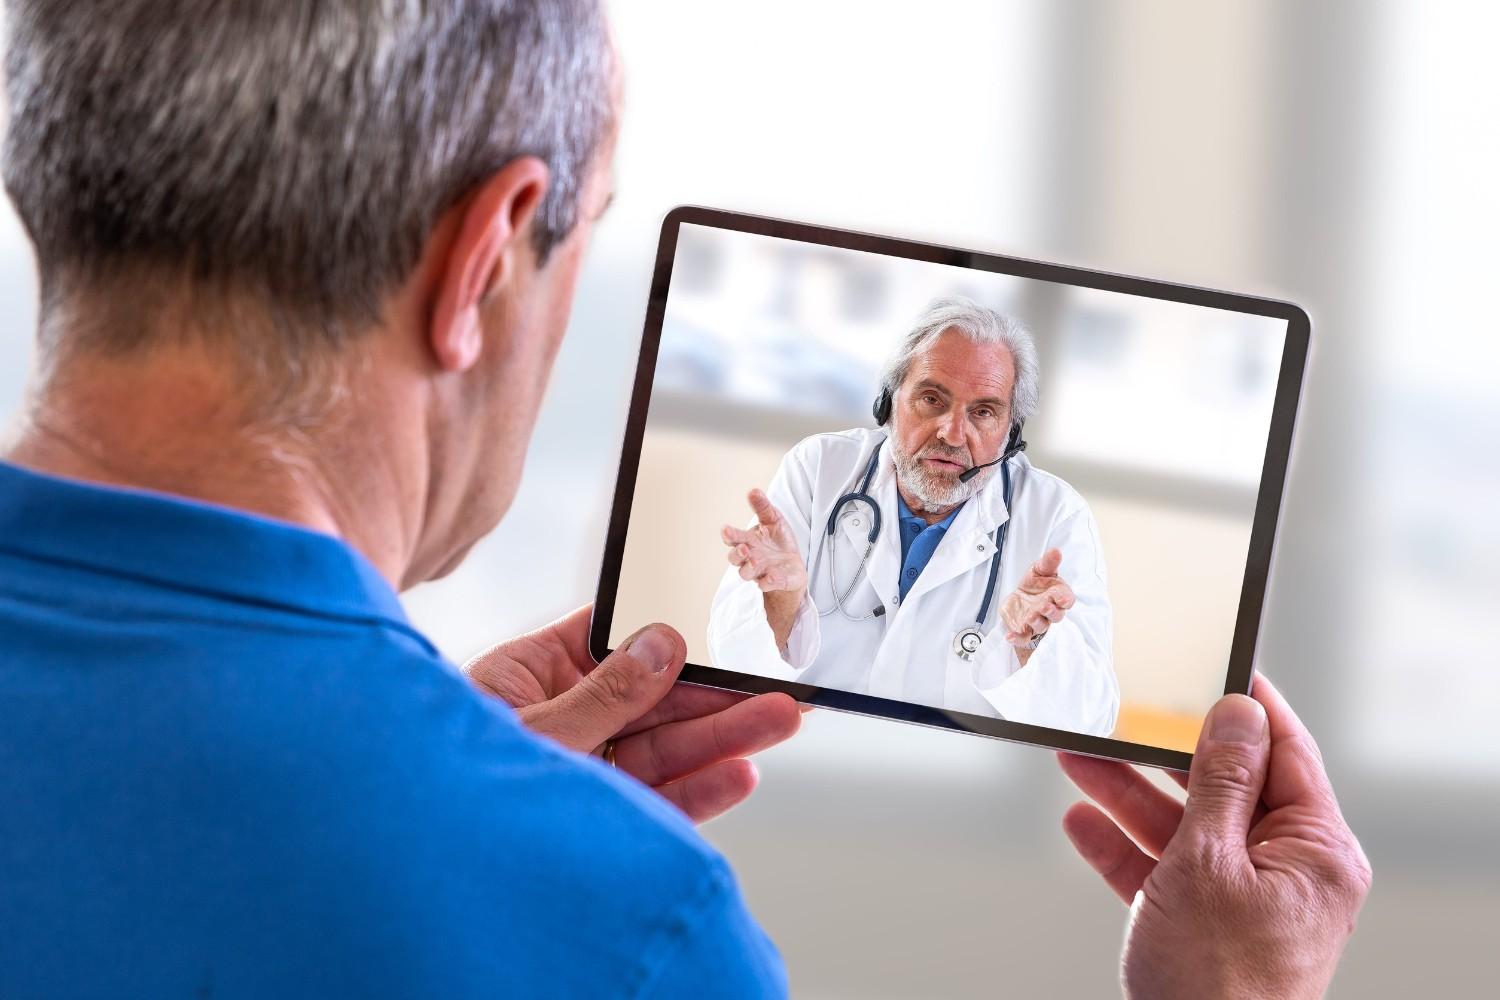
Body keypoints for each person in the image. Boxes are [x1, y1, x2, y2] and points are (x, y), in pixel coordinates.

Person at [0, 2, 1369, 997]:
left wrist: (449, 792)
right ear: (485, 257)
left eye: (985, 413)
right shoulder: (620, 930)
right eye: (587, 232)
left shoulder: (1044, 524)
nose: (952, 430)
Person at [708, 298, 1119, 735]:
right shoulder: (820, 468)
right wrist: (783, 597)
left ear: (1010, 433)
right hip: (806, 752)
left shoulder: (1055, 515)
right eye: (931, 399)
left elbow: (1090, 722)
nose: (953, 433)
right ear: (888, 403)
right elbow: (732, 665)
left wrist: (1033, 644)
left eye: (983, 412)